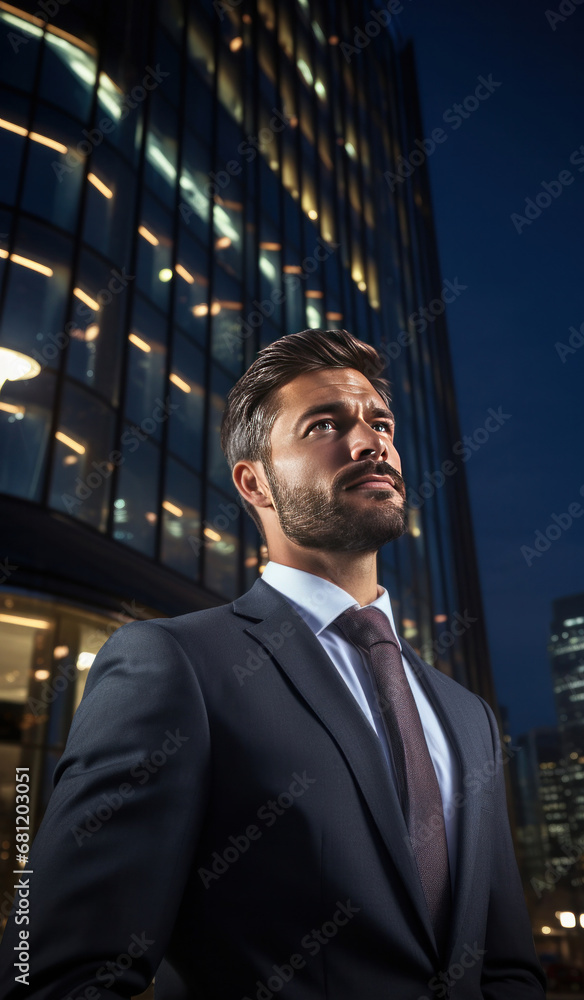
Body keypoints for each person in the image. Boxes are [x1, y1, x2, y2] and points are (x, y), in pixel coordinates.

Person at [0, 328, 546, 999]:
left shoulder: (468, 719)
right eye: (324, 424)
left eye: (380, 422)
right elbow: (51, 972)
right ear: (253, 482)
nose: (370, 441)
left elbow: (507, 970)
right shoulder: (175, 666)